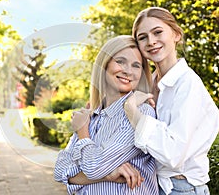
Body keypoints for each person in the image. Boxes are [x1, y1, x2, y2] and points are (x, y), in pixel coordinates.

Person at [123, 7, 219, 195]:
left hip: (182, 189)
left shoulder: (187, 84)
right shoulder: (148, 84)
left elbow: (173, 154)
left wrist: (132, 111)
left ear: (176, 34)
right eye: (142, 37)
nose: (151, 41)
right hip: (152, 185)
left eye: (158, 32)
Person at [54, 35, 159, 195]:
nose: (128, 71)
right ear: (104, 64)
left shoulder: (141, 113)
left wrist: (82, 131)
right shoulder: (92, 115)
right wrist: (108, 175)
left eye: (136, 65)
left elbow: (93, 167)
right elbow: (60, 169)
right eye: (121, 61)